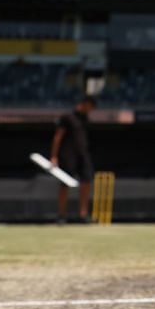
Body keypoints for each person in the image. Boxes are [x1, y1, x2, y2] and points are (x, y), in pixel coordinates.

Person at [50, 94, 96, 223]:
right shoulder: (67, 117)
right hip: (68, 156)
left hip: (83, 155)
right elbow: (57, 137)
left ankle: (83, 214)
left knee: (86, 182)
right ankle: (61, 215)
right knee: (65, 185)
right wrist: (54, 156)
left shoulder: (85, 118)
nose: (90, 110)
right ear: (85, 104)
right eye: (90, 107)